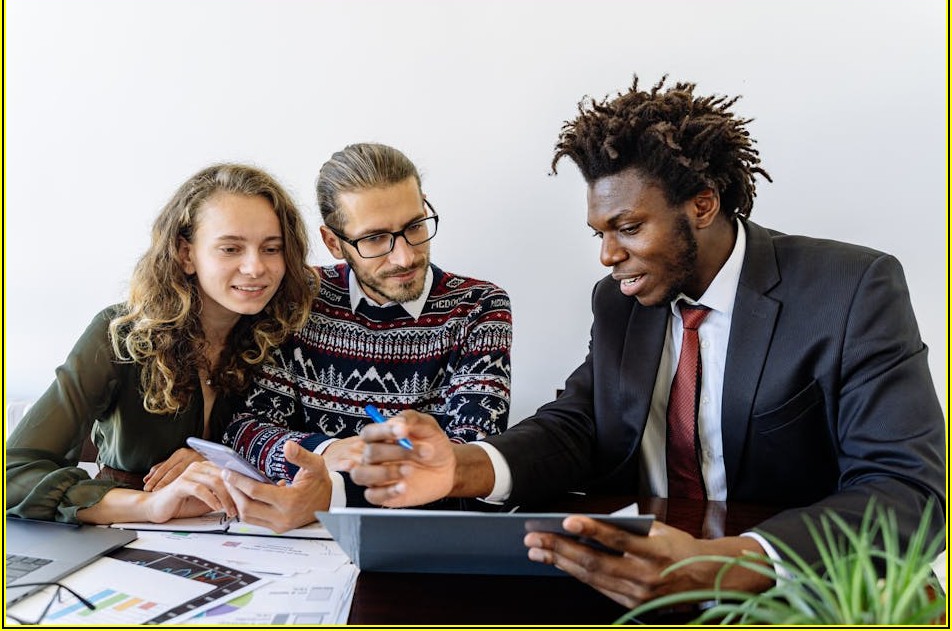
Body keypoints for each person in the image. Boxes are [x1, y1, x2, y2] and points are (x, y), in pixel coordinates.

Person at [343, 76, 946, 607]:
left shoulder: (851, 288)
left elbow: (909, 489)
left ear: (703, 204)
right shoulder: (620, 302)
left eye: (628, 228)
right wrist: (462, 468)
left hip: (792, 593)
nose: (608, 256)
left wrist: (729, 563)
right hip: (628, 584)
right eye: (600, 233)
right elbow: (579, 425)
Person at [219, 142, 512, 531]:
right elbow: (245, 428)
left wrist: (330, 491)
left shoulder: (479, 307)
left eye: (415, 226)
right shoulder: (297, 298)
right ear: (334, 243)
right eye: (374, 238)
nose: (405, 257)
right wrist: (328, 450)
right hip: (304, 536)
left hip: (423, 535)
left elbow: (470, 459)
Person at [6, 163, 315, 526]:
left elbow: (313, 453)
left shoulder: (289, 333)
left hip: (259, 535)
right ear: (186, 254)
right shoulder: (119, 334)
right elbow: (13, 475)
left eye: (271, 248)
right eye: (231, 248)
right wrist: (150, 505)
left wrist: (224, 461)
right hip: (132, 532)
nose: (255, 267)